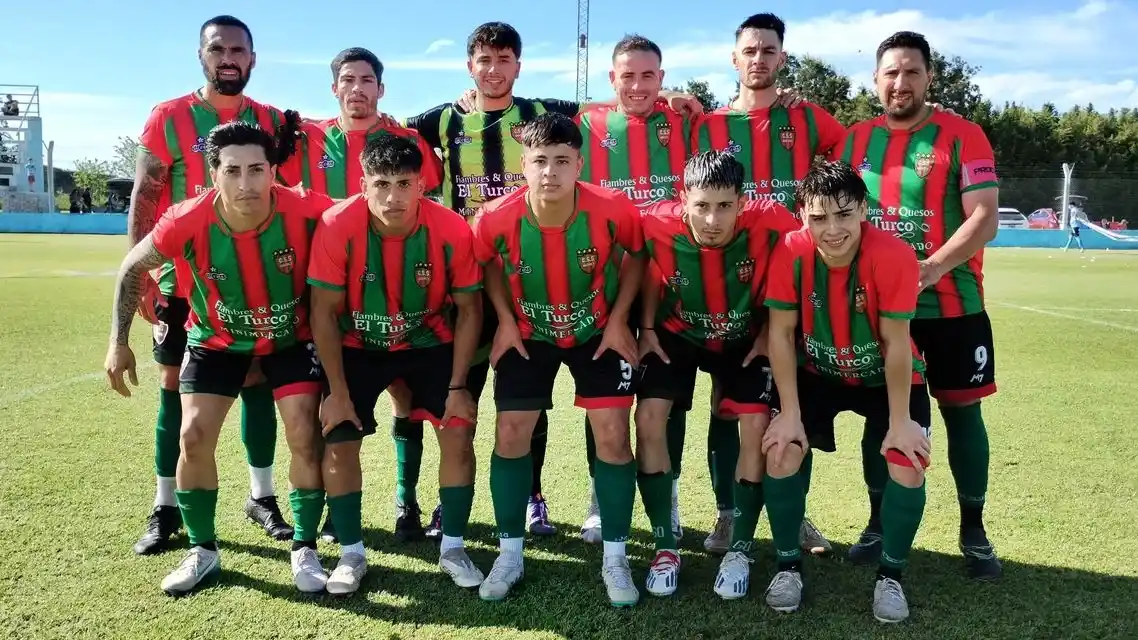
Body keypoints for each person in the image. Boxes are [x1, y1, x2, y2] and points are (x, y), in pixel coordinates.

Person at [103, 121, 333, 596]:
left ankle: (305, 548)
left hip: (291, 338)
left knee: (304, 433)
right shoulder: (185, 218)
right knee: (193, 435)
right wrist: (118, 341)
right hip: (216, 341)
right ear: (213, 173)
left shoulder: (308, 208)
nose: (245, 184)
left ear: (274, 172)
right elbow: (132, 267)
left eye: (256, 170)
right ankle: (203, 551)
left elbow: (361, 226)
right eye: (232, 171)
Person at [126, 15, 297, 556]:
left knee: (259, 385)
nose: (228, 58)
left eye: (238, 50)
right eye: (218, 49)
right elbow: (144, 198)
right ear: (202, 56)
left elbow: (343, 124)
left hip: (257, 281)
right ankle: (166, 505)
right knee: (177, 389)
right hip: (184, 281)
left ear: (253, 57)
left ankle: (261, 496)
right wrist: (146, 281)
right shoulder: (169, 117)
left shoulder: (272, 120)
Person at [838, 30, 1002, 580]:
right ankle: (878, 523)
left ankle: (973, 528)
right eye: (891, 72)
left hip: (953, 308)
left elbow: (984, 217)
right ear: (876, 79)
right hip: (879, 314)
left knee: (963, 415)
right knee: (883, 416)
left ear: (929, 76)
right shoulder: (852, 141)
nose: (900, 82)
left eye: (911, 71)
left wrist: (931, 268)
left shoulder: (963, 134)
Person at [689, 11, 846, 557]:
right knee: (723, 401)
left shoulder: (811, 121)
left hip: (796, 283)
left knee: (785, 399)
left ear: (782, 58)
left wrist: (930, 109)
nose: (759, 59)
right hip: (724, 286)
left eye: (768, 50)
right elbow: (625, 115)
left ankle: (790, 513)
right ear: (734, 59)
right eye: (749, 51)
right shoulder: (702, 125)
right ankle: (727, 514)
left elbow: (862, 157)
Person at [473, 112, 645, 606]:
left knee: (613, 433)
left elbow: (637, 256)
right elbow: (486, 263)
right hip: (529, 333)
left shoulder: (612, 209)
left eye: (562, 161)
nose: (550, 171)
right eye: (540, 161)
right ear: (523, 164)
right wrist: (504, 318)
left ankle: (615, 557)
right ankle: (510, 554)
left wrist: (619, 320)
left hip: (597, 331)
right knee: (510, 433)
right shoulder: (496, 216)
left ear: (579, 164)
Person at [307, 133, 483, 595]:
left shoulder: (450, 228)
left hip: (428, 341)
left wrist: (459, 384)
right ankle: (351, 554)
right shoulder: (336, 223)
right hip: (356, 344)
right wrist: (337, 390)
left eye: (404, 183)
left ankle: (454, 546)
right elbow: (323, 312)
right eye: (381, 183)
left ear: (422, 184)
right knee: (339, 437)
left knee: (459, 430)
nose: (393, 197)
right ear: (363, 183)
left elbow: (469, 310)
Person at [280, 46, 442, 544]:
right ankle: (327, 509)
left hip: (395, 293)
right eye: (347, 79)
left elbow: (428, 202)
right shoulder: (307, 136)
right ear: (335, 88)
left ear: (380, 89)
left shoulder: (407, 140)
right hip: (323, 290)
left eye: (367, 79)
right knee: (323, 406)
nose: (357, 88)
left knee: (405, 398)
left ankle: (404, 500)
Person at [762, 159, 930, 622]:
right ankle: (788, 567)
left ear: (863, 210)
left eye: (843, 214)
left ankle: (890, 576)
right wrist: (790, 412)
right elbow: (780, 334)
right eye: (818, 217)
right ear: (803, 216)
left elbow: (897, 342)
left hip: (886, 376)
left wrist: (900, 423)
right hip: (817, 370)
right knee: (781, 450)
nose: (832, 229)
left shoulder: (893, 254)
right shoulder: (791, 251)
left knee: (908, 462)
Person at [637, 151, 797, 597]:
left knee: (755, 425)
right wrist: (645, 326)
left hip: (744, 337)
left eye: (724, 206)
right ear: (683, 197)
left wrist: (769, 329)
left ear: (742, 202)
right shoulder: (654, 221)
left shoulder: (773, 221)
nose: (712, 219)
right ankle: (665, 547)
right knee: (649, 420)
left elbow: (801, 264)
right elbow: (642, 264)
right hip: (676, 335)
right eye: (702, 205)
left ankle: (739, 548)